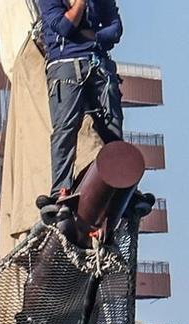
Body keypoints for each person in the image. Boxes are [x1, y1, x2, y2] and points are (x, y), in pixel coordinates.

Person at [39, 0, 124, 196]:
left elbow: (115, 29)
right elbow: (64, 26)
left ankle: (119, 182)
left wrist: (89, 37)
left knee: (112, 126)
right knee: (65, 128)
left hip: (99, 66)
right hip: (65, 67)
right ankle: (61, 188)